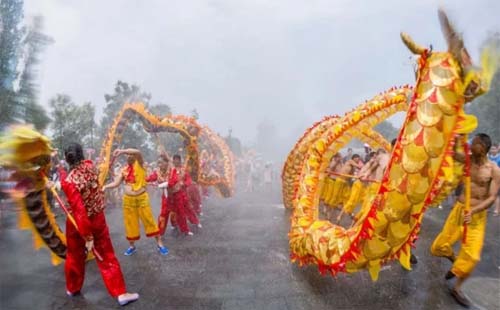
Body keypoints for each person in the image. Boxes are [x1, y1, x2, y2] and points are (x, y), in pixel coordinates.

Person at [56, 143, 138, 306]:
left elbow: (79, 210)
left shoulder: (69, 181)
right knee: (107, 255)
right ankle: (120, 293)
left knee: (74, 255)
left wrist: (87, 236)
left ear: (66, 159)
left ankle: (72, 288)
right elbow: (101, 167)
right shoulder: (90, 166)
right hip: (97, 220)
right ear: (83, 156)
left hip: (77, 224)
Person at [431, 133, 500, 307]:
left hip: (476, 215)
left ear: (483, 148)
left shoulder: (493, 170)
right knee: (438, 247)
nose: (471, 145)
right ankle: (455, 261)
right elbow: (454, 154)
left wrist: (475, 209)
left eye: (475, 143)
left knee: (473, 256)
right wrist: (455, 140)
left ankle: (457, 287)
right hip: (459, 211)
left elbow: (492, 197)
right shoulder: (468, 160)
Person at [102, 148, 168, 256]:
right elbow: (116, 183)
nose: (129, 156)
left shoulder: (140, 164)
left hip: (142, 198)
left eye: (130, 154)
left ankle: (160, 244)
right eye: (127, 155)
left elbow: (138, 152)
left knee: (149, 220)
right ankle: (132, 246)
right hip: (128, 200)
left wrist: (122, 151)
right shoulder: (124, 170)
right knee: (130, 223)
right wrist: (106, 186)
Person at [167, 154, 201, 236]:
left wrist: (184, 183)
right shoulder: (170, 171)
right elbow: (169, 181)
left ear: (179, 160)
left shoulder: (184, 170)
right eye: (174, 160)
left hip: (184, 193)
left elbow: (188, 180)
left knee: (189, 208)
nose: (175, 161)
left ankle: (195, 222)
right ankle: (184, 229)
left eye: (177, 159)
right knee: (179, 212)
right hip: (174, 194)